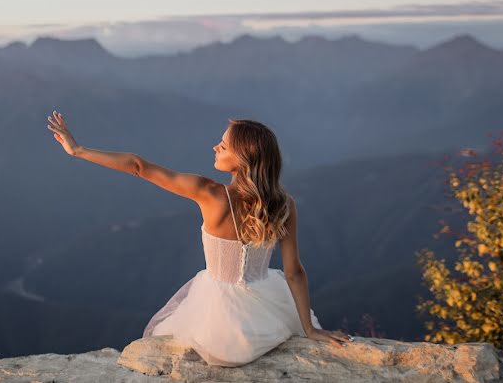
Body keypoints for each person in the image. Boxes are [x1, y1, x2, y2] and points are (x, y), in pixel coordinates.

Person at [46, 110, 353, 366]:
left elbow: (139, 166)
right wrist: (308, 328)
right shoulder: (283, 205)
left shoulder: (210, 194)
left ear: (243, 157)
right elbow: (293, 272)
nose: (215, 147)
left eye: (223, 145)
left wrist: (78, 150)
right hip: (269, 309)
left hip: (220, 318)